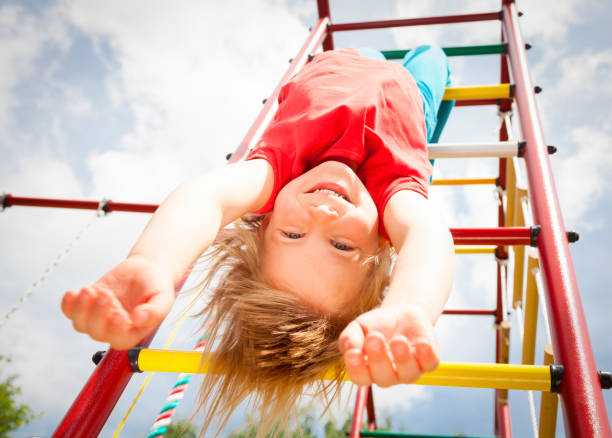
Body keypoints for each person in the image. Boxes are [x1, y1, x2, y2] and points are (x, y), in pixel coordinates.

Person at [61, 45, 455, 434]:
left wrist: (154, 261)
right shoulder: (393, 197)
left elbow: (208, 197)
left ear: (264, 224)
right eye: (341, 246)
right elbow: (425, 233)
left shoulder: (274, 175)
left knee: (361, 49)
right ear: (383, 246)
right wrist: (410, 305)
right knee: (432, 55)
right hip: (410, 94)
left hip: (339, 63)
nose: (321, 215)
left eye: (293, 234)